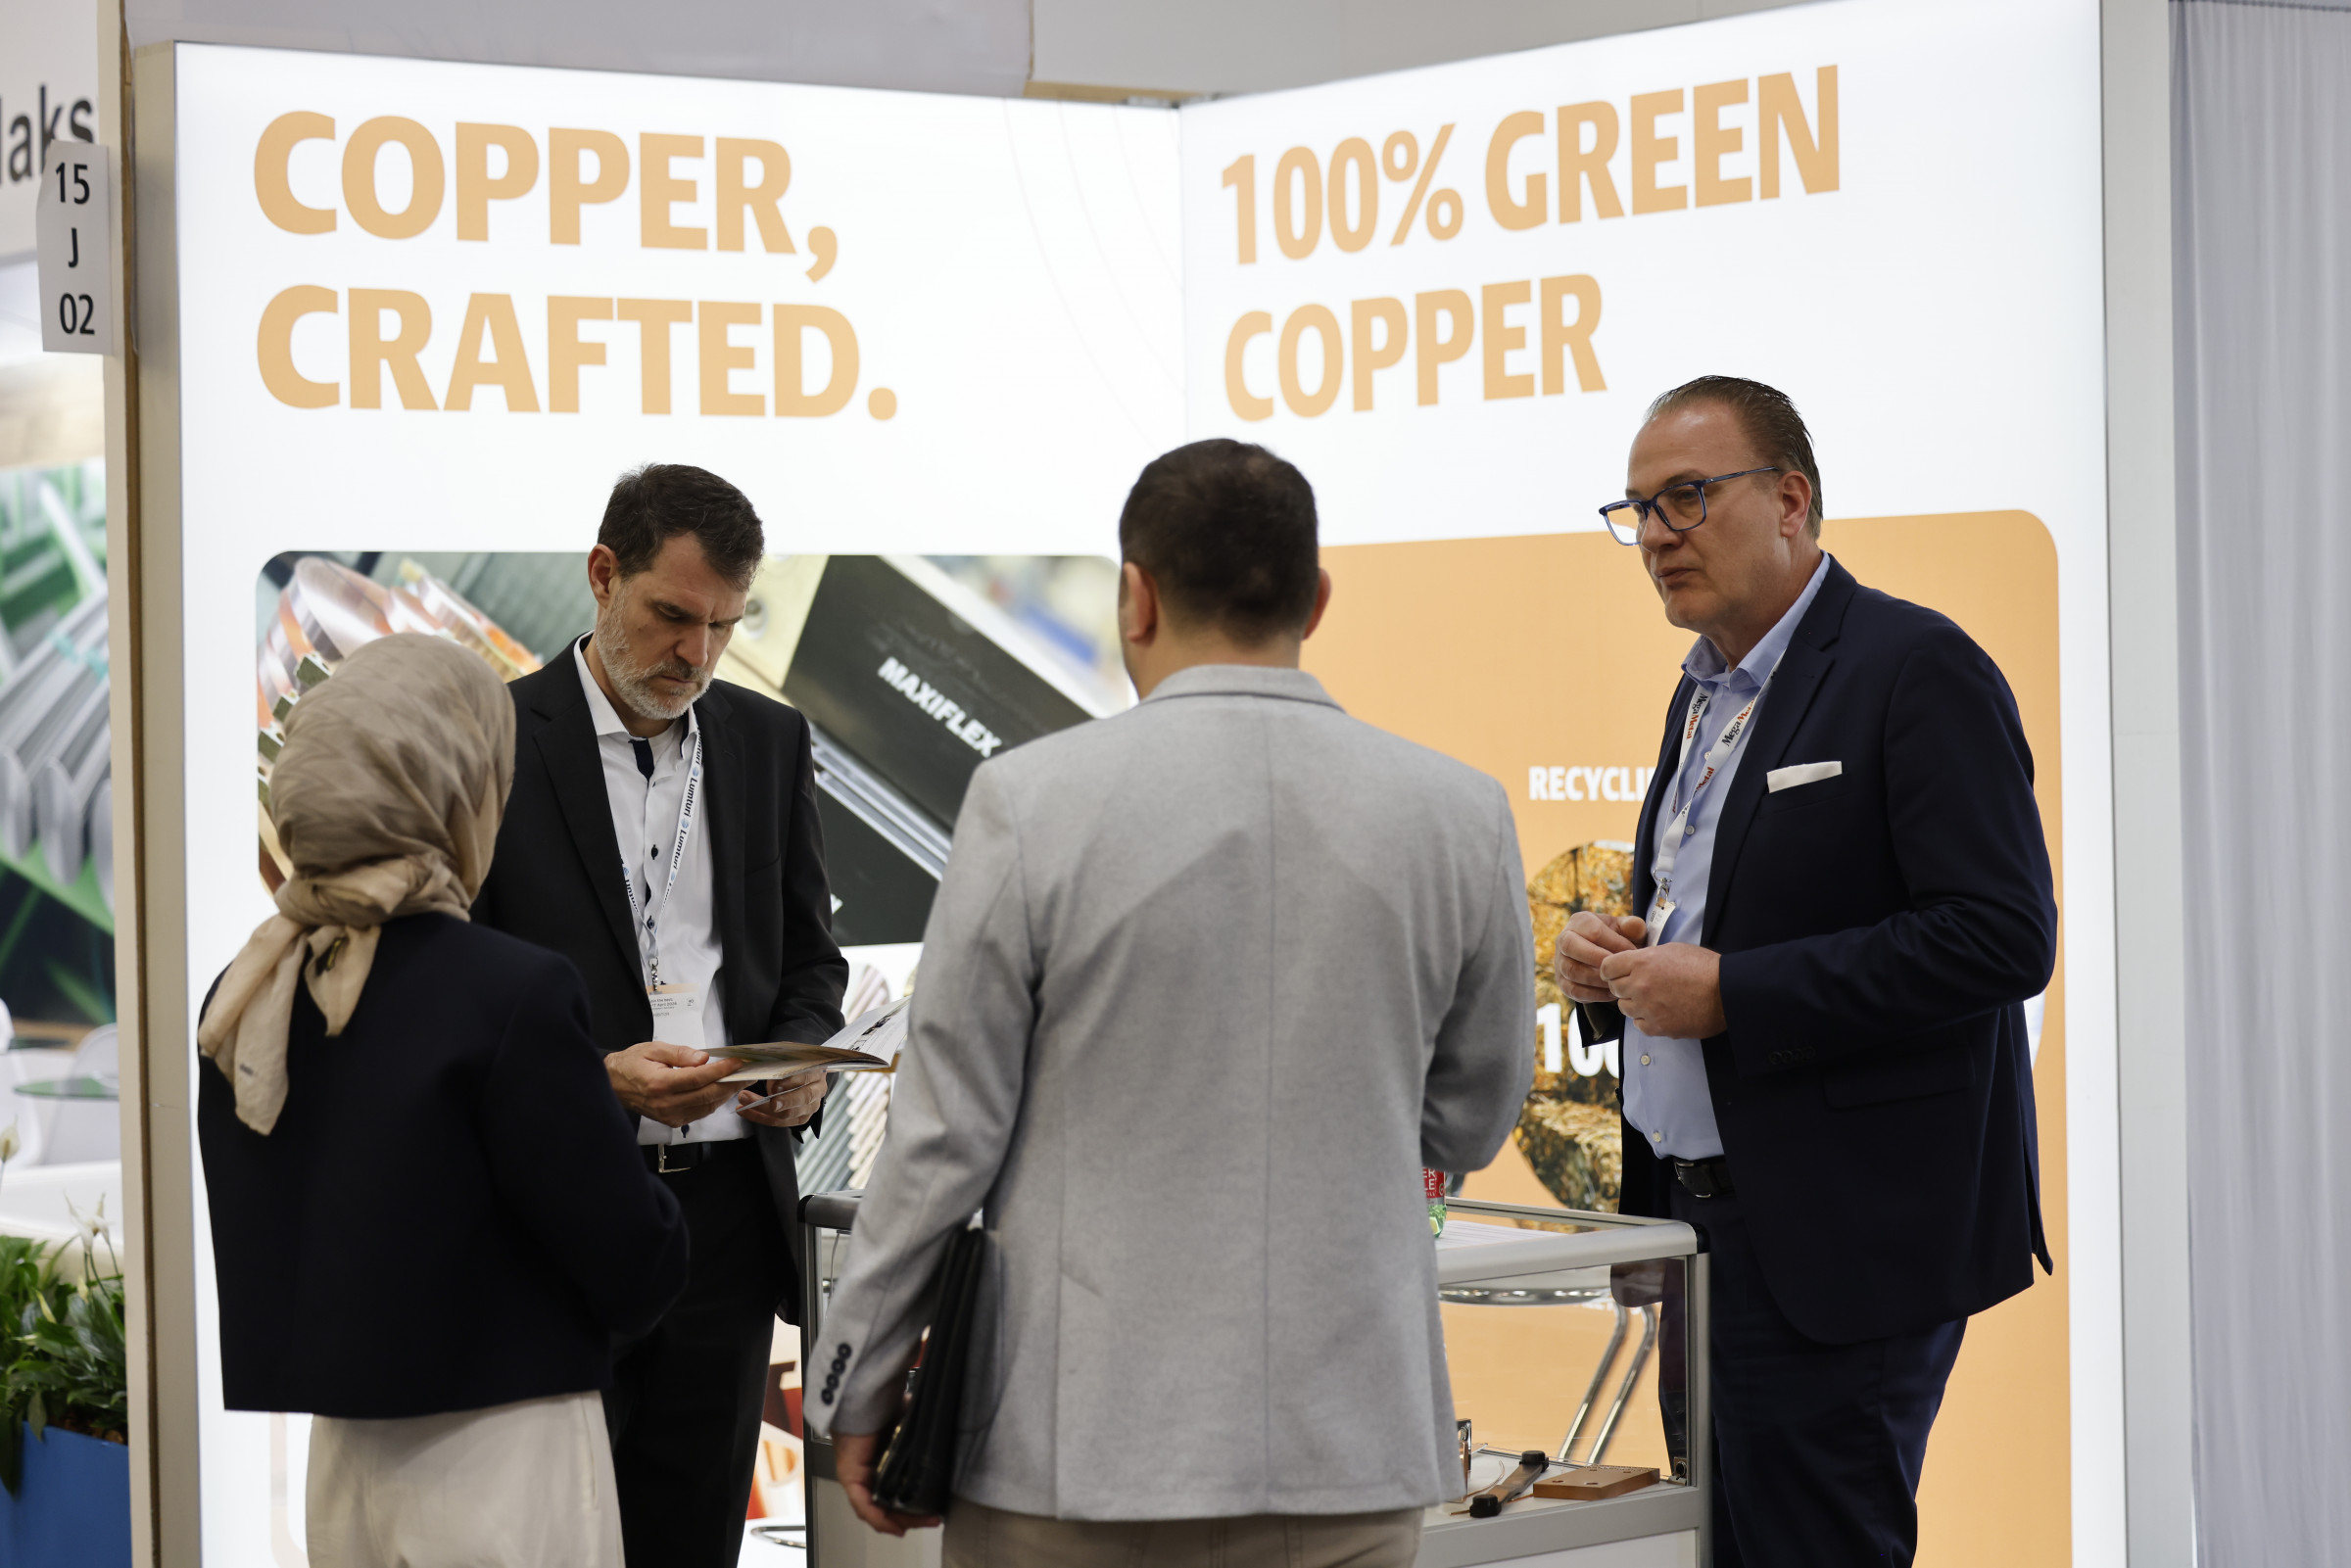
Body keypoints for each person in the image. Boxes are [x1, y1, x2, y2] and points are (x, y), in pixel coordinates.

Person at [809, 439, 1535, 1568]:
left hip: (1074, 1452)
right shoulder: (1460, 813)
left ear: (1135, 597)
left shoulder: (1028, 801)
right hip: (1346, 1445)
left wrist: (857, 1375)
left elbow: (945, 1138)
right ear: (1317, 598)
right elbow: (1472, 1118)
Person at [1556, 376, 2057, 1565]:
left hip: (1837, 1242)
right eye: (1638, 509)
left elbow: (2000, 935)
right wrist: (1609, 962)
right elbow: (1727, 905)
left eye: (1688, 495)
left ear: (1791, 499)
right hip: (1696, 1231)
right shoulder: (1701, 691)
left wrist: (1734, 993)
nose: (1658, 534)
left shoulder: (1914, 665)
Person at [198, 633, 688, 1568]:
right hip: (504, 1451)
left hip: (343, 1457)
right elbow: (634, 1257)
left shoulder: (250, 987)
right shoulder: (507, 991)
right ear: (458, 784)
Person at [470, 463, 848, 1568]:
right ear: (602, 575)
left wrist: (803, 1063)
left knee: (693, 1538)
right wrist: (593, 1077)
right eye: (674, 615)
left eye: (725, 625)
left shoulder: (768, 741)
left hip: (723, 1224)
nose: (697, 653)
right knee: (546, 1543)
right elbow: (453, 988)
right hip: (554, 1213)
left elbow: (808, 960)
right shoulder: (493, 739)